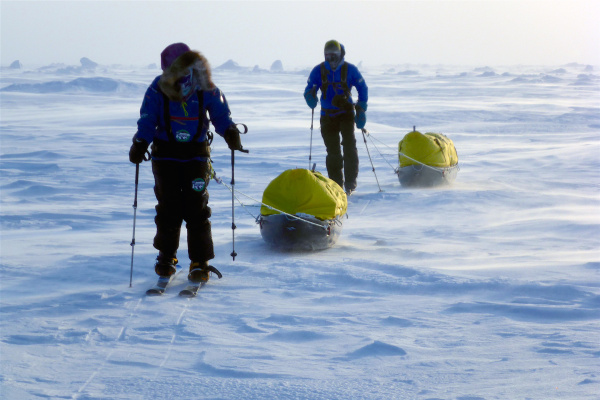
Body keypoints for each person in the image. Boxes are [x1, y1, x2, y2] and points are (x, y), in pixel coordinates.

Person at [129, 42, 245, 282]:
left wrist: (230, 132)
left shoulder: (206, 87)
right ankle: (166, 256)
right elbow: (148, 117)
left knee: (196, 209)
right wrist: (141, 142)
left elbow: (221, 115)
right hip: (165, 157)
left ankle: (200, 261)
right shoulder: (158, 88)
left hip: (196, 157)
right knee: (168, 207)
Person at [304, 40, 368, 195]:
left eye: (334, 55)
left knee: (349, 147)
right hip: (327, 116)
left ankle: (350, 181)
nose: (331, 59)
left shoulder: (350, 70)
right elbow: (309, 88)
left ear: (340, 55)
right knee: (333, 152)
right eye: (328, 56)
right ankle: (336, 185)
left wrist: (361, 108)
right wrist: (309, 97)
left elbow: (362, 87)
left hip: (346, 114)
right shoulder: (318, 71)